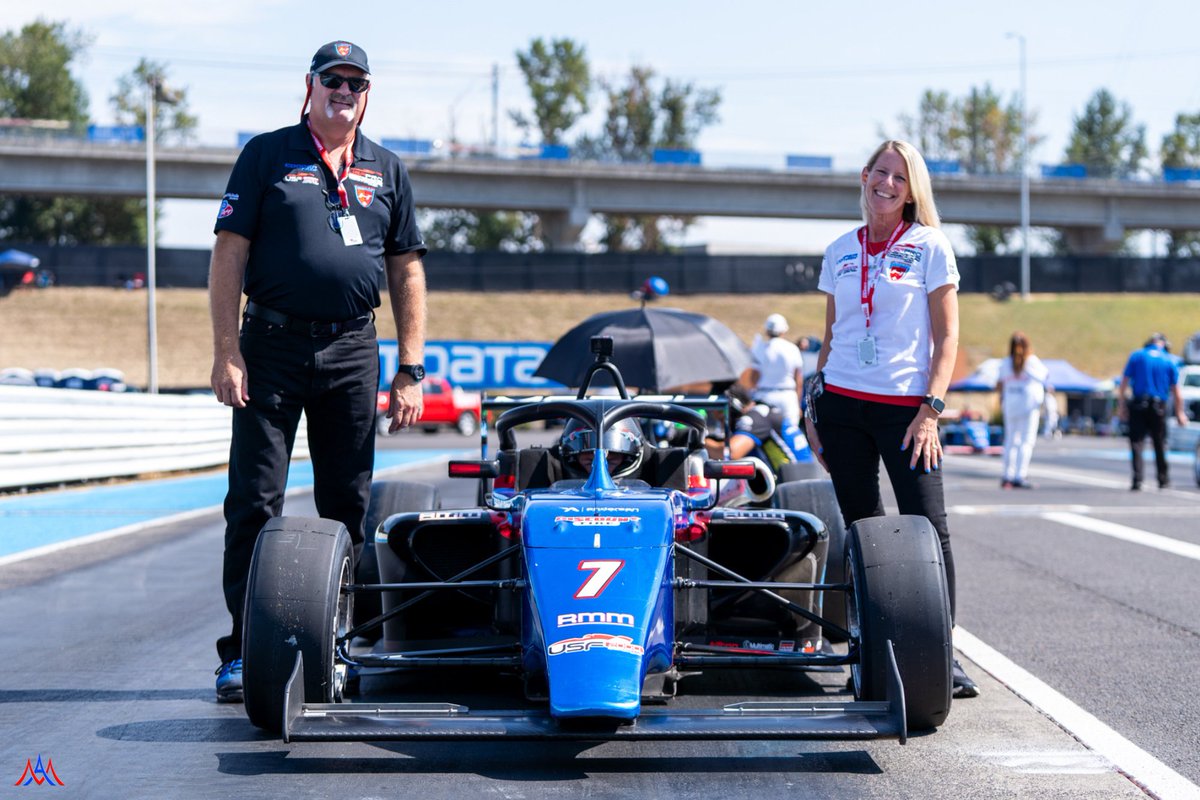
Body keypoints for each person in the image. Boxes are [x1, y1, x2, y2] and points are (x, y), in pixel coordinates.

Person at [208, 41, 428, 702]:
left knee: (348, 505)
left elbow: (406, 270)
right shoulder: (267, 154)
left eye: (356, 82)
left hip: (353, 350)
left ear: (368, 94)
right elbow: (229, 253)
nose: (344, 91)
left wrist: (411, 367)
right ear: (310, 86)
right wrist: (226, 350)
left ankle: (340, 645)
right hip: (270, 347)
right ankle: (242, 653)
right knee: (254, 501)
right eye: (333, 79)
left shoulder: (387, 169)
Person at [803, 139, 978, 699]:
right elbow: (831, 337)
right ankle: (875, 646)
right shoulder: (839, 250)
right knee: (863, 530)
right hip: (841, 407)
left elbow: (948, 338)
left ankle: (941, 653)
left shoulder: (930, 246)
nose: (887, 184)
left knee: (929, 527)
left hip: (907, 411)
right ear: (864, 176)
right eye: (880, 172)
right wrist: (812, 404)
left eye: (900, 178)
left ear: (911, 191)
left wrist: (931, 410)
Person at [1117, 333, 1188, 490]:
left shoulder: (1137, 356)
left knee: (1137, 442)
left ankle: (1137, 479)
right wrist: (1180, 413)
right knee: (1160, 442)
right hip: (1158, 406)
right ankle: (1163, 479)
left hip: (1138, 404)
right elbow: (1176, 391)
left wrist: (1121, 406)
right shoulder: (1169, 359)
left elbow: (1124, 383)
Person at [997, 332, 1052, 489]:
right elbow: (1046, 376)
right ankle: (1020, 475)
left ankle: (1007, 475)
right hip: (1028, 405)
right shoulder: (1032, 361)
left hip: (1010, 405)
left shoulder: (1005, 363)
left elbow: (999, 384)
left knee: (1010, 441)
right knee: (1026, 441)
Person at [747, 313, 805, 427]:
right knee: (790, 432)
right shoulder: (792, 348)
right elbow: (798, 380)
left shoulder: (760, 348)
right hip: (788, 397)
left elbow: (753, 377)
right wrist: (798, 404)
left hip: (764, 396)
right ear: (784, 330)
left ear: (767, 330)